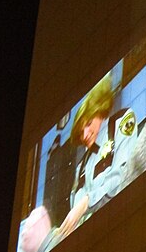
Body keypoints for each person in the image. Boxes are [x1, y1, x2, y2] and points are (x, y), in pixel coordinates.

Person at [58, 73, 137, 237]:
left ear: (99, 112)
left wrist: (88, 201)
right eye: (80, 133)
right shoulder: (81, 167)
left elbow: (123, 175)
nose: (85, 135)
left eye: (88, 124)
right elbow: (76, 213)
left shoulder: (121, 122)